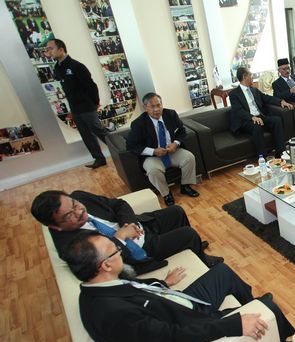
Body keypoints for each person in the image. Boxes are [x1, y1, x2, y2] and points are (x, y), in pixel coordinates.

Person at [63, 231, 295, 342]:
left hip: (178, 302)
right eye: (115, 250)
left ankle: (250, 303)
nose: (120, 250)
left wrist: (164, 284)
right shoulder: (113, 315)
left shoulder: (101, 286)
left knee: (223, 272)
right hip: (192, 321)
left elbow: (136, 290)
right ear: (105, 265)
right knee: (269, 308)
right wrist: (234, 324)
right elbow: (172, 337)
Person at [31, 190, 223, 274]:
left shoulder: (80, 196)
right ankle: (202, 258)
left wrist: (129, 224)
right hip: (139, 252)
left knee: (176, 212)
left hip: (138, 227)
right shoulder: (69, 246)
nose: (79, 211)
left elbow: (118, 204)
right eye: (69, 216)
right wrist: (120, 237)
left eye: (75, 205)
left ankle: (196, 251)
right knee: (188, 234)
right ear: (55, 227)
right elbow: (102, 262)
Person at [126, 92, 201, 206]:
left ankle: (185, 186)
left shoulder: (171, 114)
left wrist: (175, 143)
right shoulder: (138, 124)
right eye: (152, 107)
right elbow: (131, 145)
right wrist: (153, 151)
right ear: (145, 108)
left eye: (158, 105)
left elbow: (181, 131)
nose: (156, 109)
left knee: (189, 158)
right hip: (152, 156)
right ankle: (166, 194)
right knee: (153, 170)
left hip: (171, 151)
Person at [45, 38, 108, 169]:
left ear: (61, 49)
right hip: (75, 108)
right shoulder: (57, 68)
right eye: (47, 49)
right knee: (86, 135)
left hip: (87, 106)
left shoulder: (77, 66)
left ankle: (124, 151)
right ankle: (99, 159)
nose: (48, 51)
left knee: (100, 132)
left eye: (51, 48)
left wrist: (95, 103)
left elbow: (91, 86)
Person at [229, 67, 293, 158]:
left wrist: (281, 101)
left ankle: (281, 153)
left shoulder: (254, 90)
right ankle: (262, 158)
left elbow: (267, 98)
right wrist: (252, 117)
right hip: (247, 120)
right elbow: (238, 110)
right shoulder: (234, 94)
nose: (252, 77)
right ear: (244, 77)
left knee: (276, 120)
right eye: (250, 75)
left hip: (260, 116)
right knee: (257, 126)